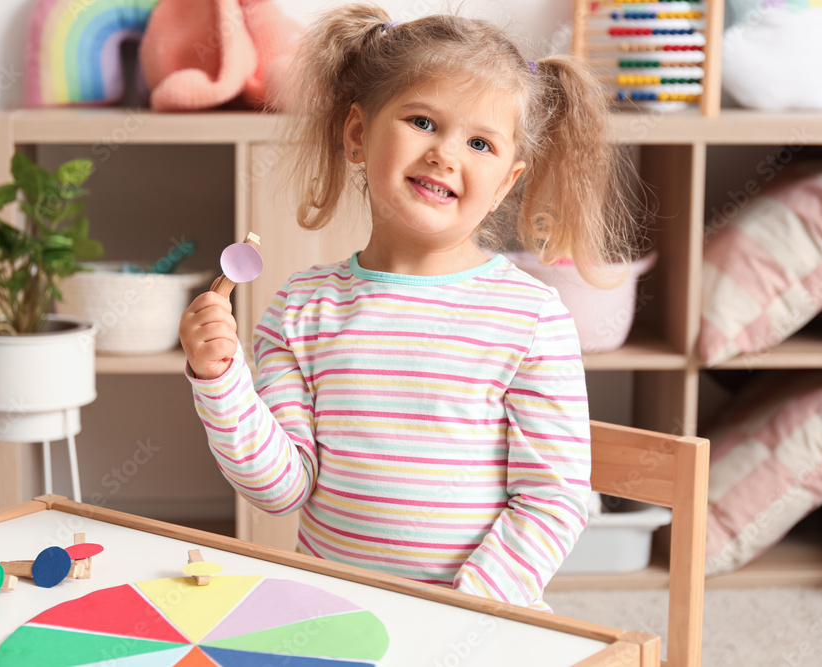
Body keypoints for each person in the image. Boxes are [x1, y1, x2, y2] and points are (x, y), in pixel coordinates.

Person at [179, 3, 637, 610]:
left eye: (479, 141)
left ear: (505, 182)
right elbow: (282, 488)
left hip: (477, 617)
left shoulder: (531, 318)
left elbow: (552, 499)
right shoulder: (299, 310)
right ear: (357, 135)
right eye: (423, 121)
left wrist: (463, 611)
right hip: (334, 614)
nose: (447, 154)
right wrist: (220, 381)